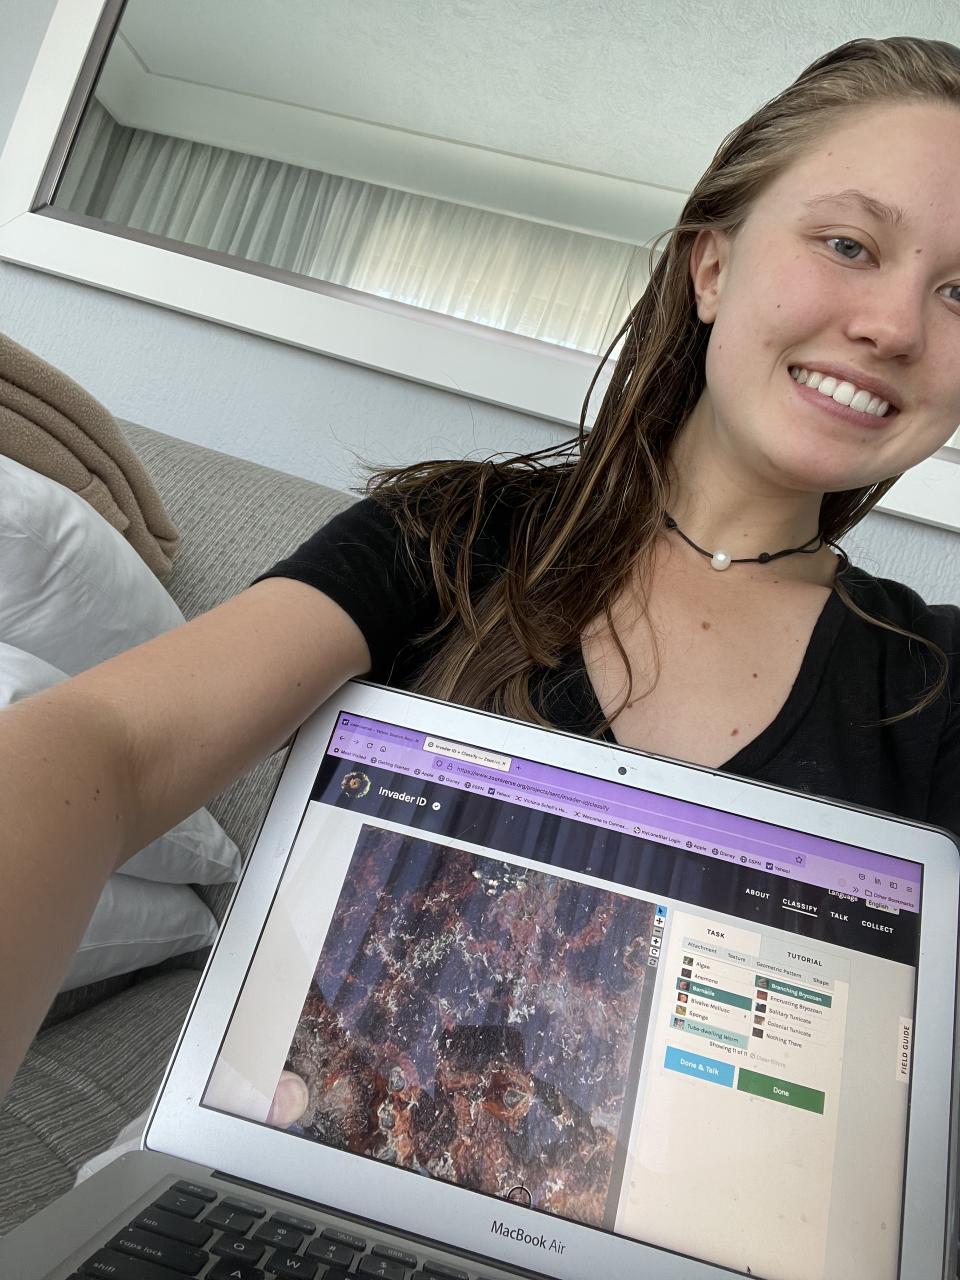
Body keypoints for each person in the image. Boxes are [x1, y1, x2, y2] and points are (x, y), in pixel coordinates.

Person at [1, 35, 959, 1103]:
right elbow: (112, 745)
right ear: (713, 267)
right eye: (847, 244)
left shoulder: (939, 677)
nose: (893, 326)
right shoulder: (454, 532)